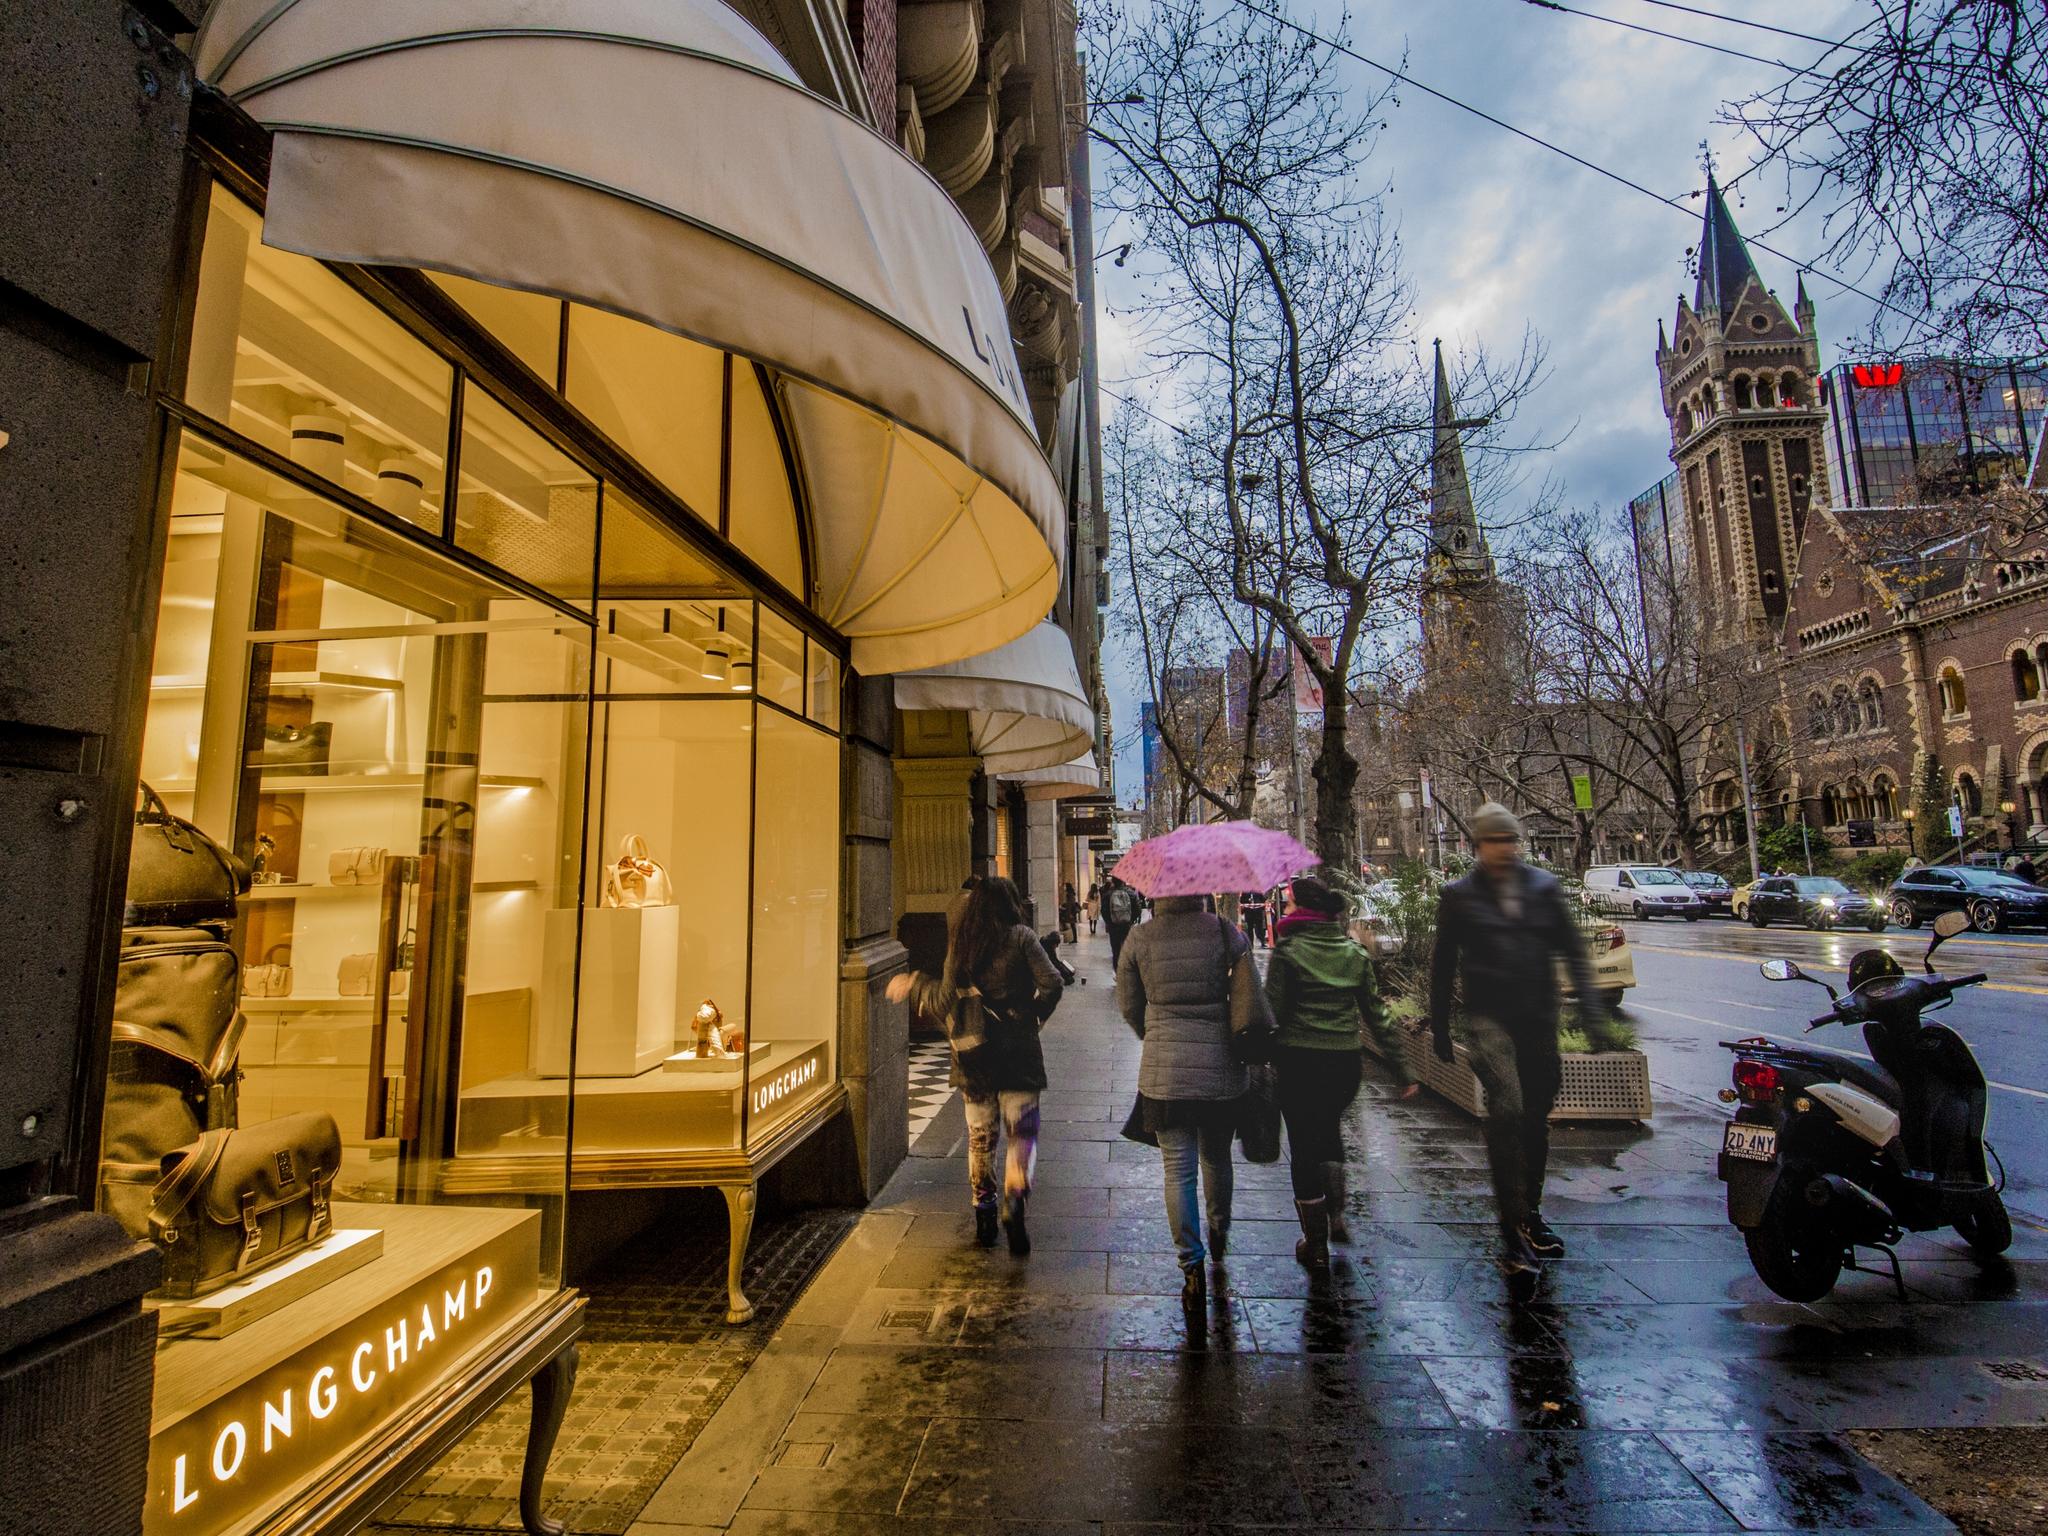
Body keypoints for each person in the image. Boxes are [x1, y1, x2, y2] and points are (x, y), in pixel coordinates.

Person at [1429, 802, 1597, 1282]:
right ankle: (1511, 1232)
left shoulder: (1543, 887)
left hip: (1537, 1017)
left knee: (1535, 1114)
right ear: (1477, 846)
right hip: (1487, 1018)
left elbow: (1570, 949)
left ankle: (1529, 1211)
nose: (1502, 849)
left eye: (1508, 840)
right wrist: (1440, 1027)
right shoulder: (1458, 895)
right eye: (1493, 841)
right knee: (1507, 1108)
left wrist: (1592, 1015)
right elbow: (1443, 965)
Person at [888, 875, 1062, 1253]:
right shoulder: (1022, 937)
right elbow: (1052, 983)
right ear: (1011, 903)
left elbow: (941, 1000)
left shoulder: (961, 945)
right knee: (1023, 1134)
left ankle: (984, 1213)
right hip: (1019, 1050)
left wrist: (915, 983)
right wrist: (1031, 1014)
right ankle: (1015, 1200)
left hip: (974, 1055)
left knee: (981, 1138)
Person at [1266, 875, 1418, 1267]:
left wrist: (1258, 1055)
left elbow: (1273, 1014)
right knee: (1330, 1132)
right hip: (1344, 1064)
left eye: (1288, 902)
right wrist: (1403, 1069)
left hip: (1298, 1062)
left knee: (1303, 1145)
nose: (1284, 907)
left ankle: (1314, 1243)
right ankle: (1336, 1216)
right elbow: (1378, 1014)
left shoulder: (1288, 952)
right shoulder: (1354, 954)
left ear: (1303, 909)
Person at [1116, 892, 1253, 1317]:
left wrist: (1155, 1033)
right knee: (1216, 1157)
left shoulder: (1140, 938)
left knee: (1178, 1171)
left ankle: (1190, 1266)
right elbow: (1248, 998)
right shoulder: (1225, 933)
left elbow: (1129, 1005)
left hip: (1165, 1072)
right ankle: (1219, 1230)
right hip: (1220, 1069)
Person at [1102, 876, 1141, 965]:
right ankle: (1127, 969)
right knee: (1127, 948)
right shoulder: (1131, 893)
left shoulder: (1108, 895)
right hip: (1127, 925)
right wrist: (1131, 919)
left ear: (1113, 882)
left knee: (1116, 950)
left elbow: (1104, 911)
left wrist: (1110, 922)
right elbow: (1138, 910)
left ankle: (1118, 971)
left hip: (1113, 926)